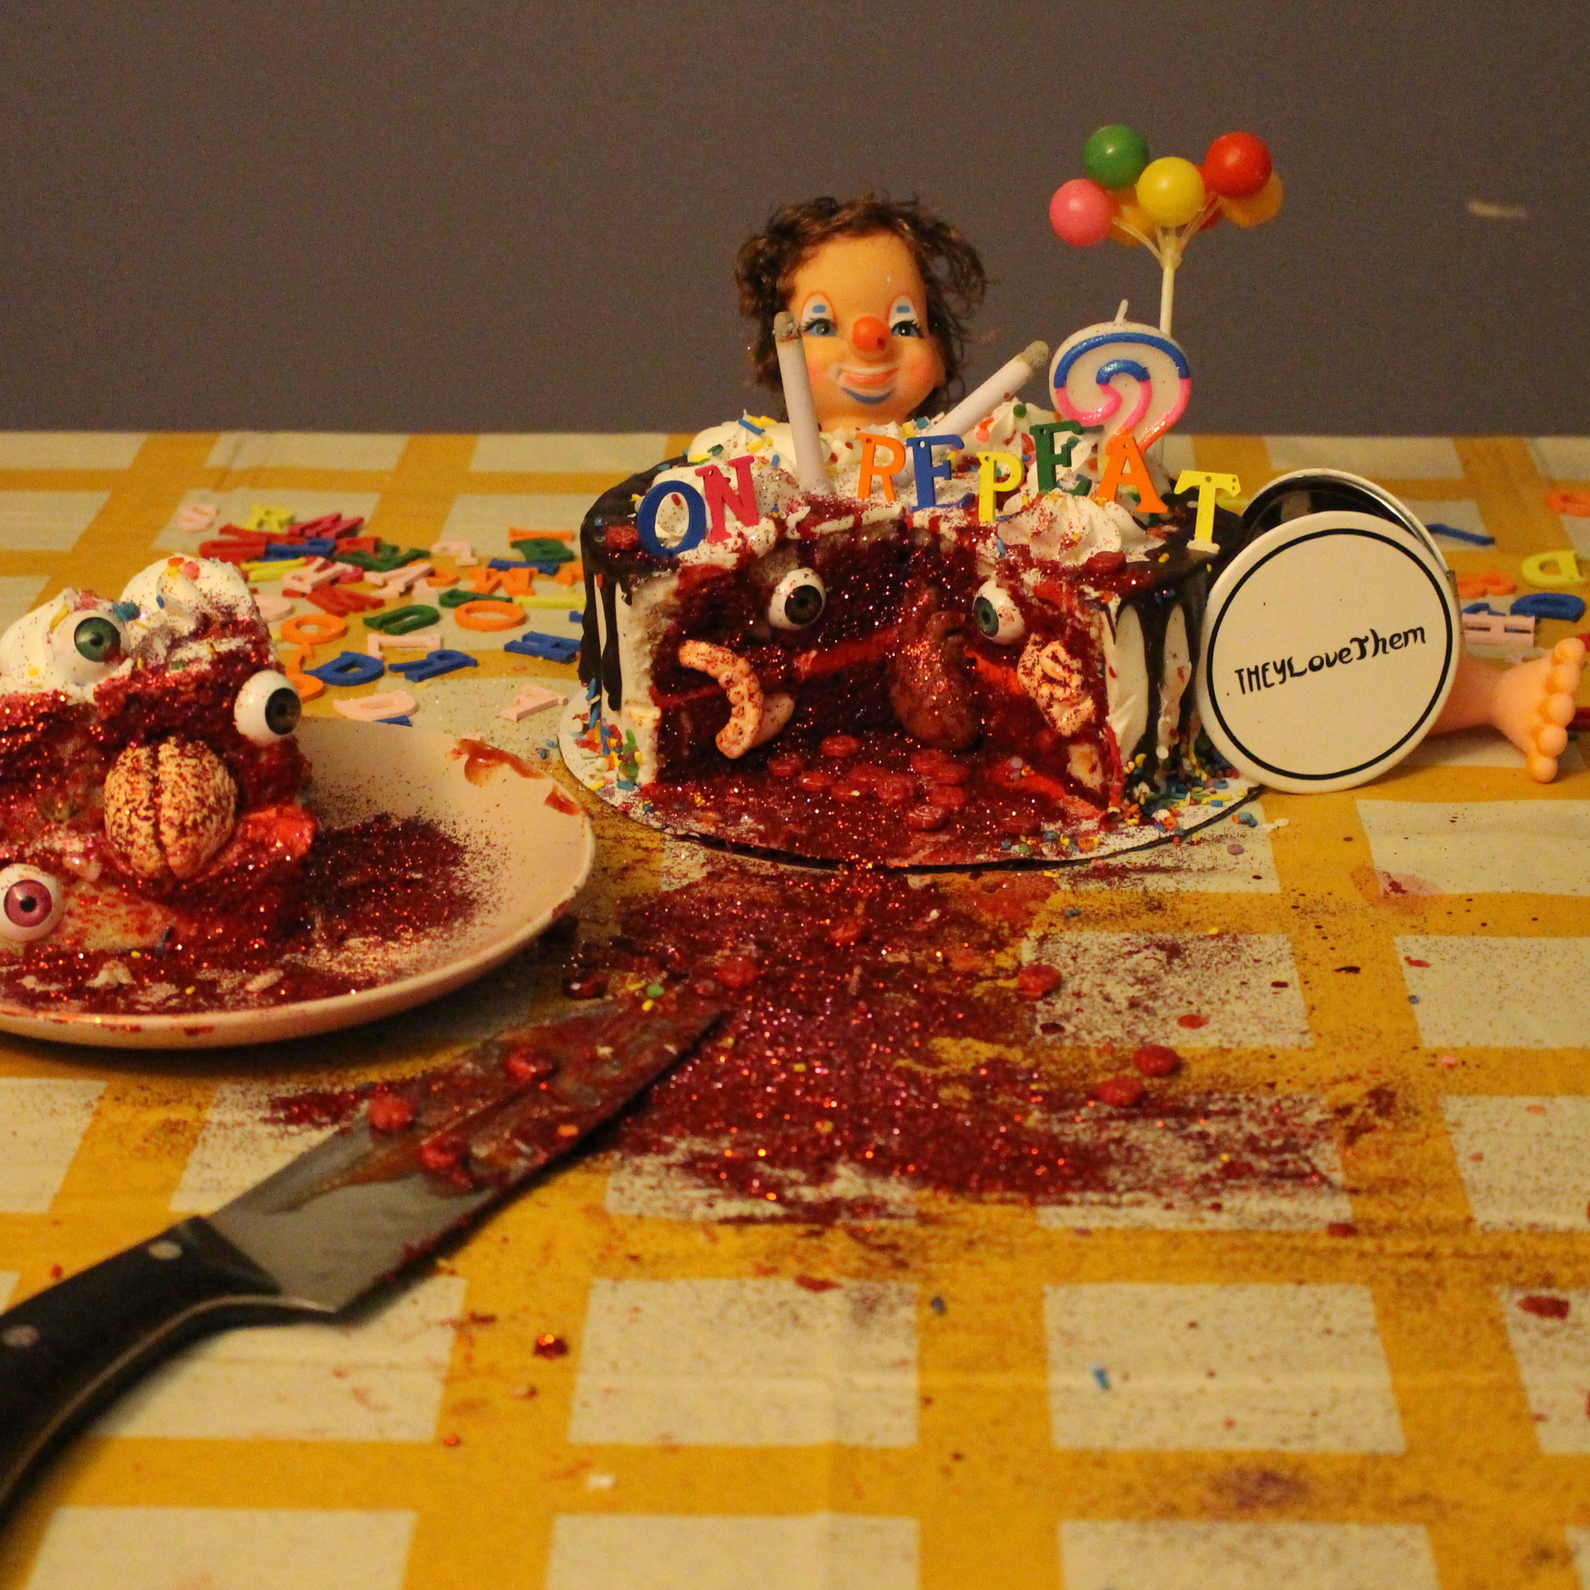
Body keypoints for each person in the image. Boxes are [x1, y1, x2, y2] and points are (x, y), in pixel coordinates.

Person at [734, 194, 987, 429]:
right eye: (822, 327)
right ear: (777, 354)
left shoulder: (959, 456)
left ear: (938, 351)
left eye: (904, 327)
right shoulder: (774, 459)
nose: (869, 342)